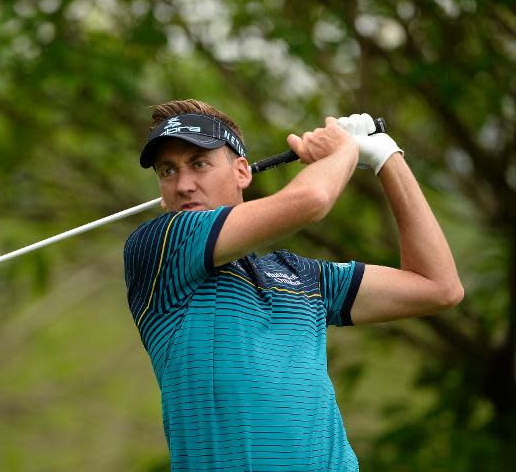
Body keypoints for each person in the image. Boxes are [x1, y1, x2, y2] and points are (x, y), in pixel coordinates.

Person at [123, 99, 464, 471]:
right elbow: (312, 199)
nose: (183, 184)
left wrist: (386, 157)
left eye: (199, 164)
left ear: (241, 172)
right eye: (167, 171)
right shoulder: (160, 248)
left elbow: (438, 286)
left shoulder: (301, 276)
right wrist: (344, 150)